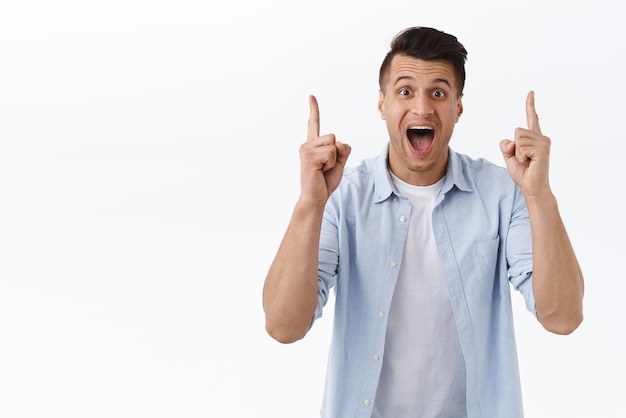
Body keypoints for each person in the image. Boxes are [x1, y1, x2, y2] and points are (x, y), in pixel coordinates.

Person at [262, 26, 584, 418]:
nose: (422, 108)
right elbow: (284, 327)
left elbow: (563, 317)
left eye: (438, 92)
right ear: (382, 104)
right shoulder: (342, 196)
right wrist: (310, 204)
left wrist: (539, 196)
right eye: (404, 91)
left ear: (458, 108)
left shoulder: (502, 193)